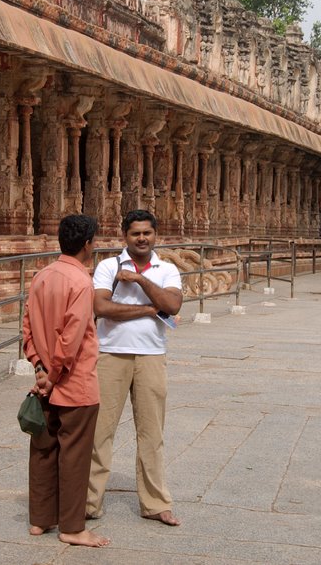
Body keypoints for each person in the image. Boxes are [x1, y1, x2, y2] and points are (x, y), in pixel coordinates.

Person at [87, 209, 184, 526]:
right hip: (111, 353)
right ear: (124, 236)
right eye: (135, 233)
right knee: (100, 432)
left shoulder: (166, 269)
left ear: (156, 235)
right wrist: (149, 308)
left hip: (151, 355)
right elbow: (101, 308)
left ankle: (155, 503)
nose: (141, 238)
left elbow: (172, 306)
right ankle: (89, 502)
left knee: (151, 432)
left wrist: (141, 279)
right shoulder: (108, 266)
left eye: (147, 233)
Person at [22, 214, 110, 548]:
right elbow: (71, 339)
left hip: (45, 377)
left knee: (43, 448)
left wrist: (39, 371)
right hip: (74, 384)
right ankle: (72, 527)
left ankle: (40, 519)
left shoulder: (42, 276)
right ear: (88, 243)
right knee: (74, 455)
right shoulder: (81, 282)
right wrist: (54, 376)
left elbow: (27, 328)